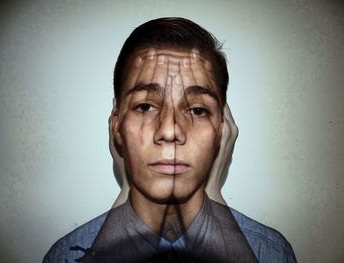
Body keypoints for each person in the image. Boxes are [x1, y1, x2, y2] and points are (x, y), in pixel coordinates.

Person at [43, 17, 296, 262]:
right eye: (144, 106)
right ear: (117, 125)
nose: (170, 130)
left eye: (198, 110)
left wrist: (212, 196)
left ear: (222, 130)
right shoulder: (65, 255)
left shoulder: (272, 253)